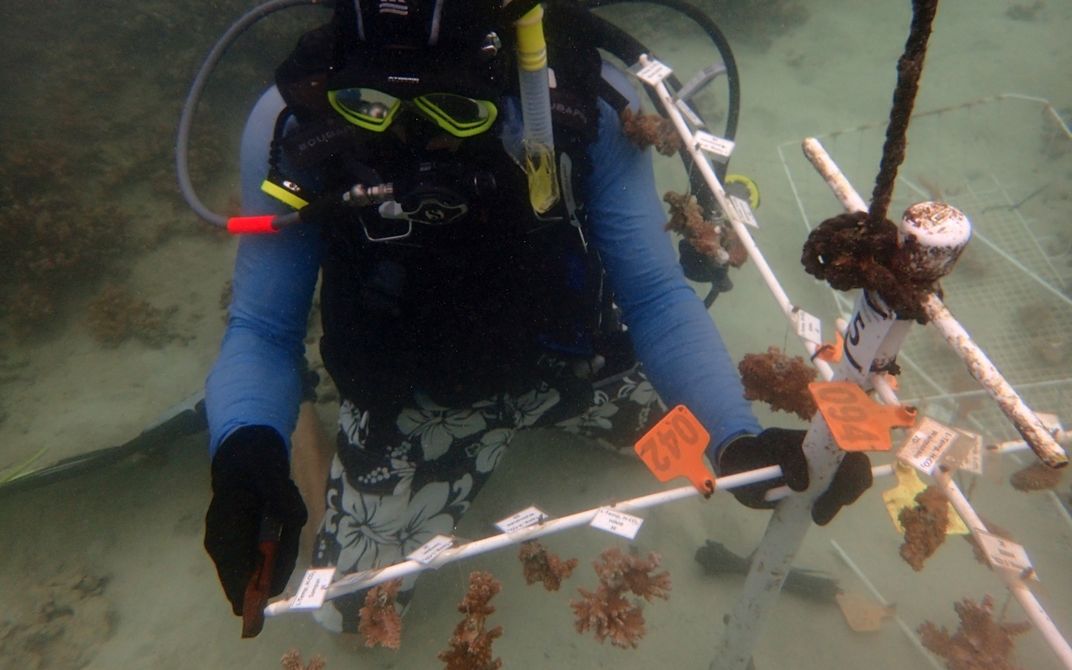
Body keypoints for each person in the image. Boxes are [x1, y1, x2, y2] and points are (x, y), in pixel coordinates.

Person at [202, 0, 872, 634]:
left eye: (458, 110)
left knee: (711, 452)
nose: (414, 136)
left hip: (574, 365)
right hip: (410, 398)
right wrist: (245, 452)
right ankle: (310, 439)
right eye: (370, 107)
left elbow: (656, 298)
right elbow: (264, 327)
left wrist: (738, 440)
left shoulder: (588, 104)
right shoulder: (290, 120)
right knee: (351, 618)